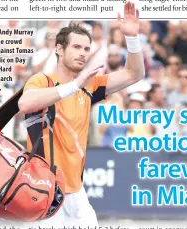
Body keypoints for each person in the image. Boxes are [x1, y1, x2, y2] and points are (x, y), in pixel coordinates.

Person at [18, 2, 144, 226]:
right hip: (43, 190)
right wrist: (74, 85)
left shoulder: (90, 85)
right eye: (76, 47)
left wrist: (132, 38)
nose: (82, 53)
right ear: (59, 49)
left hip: (76, 192)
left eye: (86, 49)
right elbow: (25, 104)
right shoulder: (42, 80)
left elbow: (134, 74)